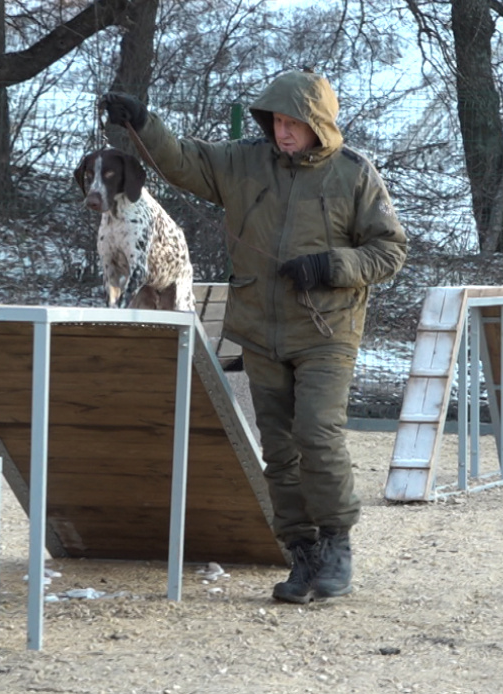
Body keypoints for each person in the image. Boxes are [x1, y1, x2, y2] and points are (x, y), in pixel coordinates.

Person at [100, 70, 407, 603]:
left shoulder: (354, 174)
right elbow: (182, 160)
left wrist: (330, 265)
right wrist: (143, 123)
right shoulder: (243, 161)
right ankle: (302, 555)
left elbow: (390, 251)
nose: (283, 132)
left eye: (294, 123)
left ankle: (337, 543)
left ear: (319, 123)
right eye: (276, 121)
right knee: (280, 451)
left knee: (317, 432)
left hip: (326, 331)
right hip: (260, 332)